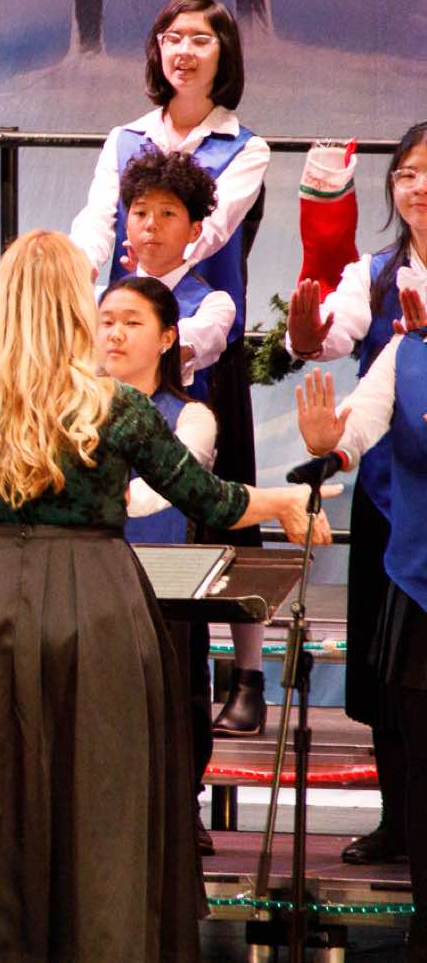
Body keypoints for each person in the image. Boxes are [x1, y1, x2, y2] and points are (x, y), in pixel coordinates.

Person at [0, 231, 328, 962]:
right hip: (95, 598)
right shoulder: (114, 405)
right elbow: (209, 498)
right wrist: (286, 500)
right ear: (76, 307)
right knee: (101, 788)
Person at [66, 0, 274, 736]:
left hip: (199, 346)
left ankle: (246, 673)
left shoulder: (244, 146)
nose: (184, 51)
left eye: (200, 39)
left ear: (225, 53)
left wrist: (154, 261)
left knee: (225, 507)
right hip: (124, 339)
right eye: (172, 37)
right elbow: (97, 222)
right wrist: (76, 284)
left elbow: (211, 230)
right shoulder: (124, 137)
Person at [285, 121, 427, 865]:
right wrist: (306, 334)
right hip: (389, 505)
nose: (418, 186)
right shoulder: (373, 274)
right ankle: (399, 820)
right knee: (387, 675)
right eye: (406, 173)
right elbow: (328, 340)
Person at [296, 326, 427, 957]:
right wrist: (331, 444)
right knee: (423, 770)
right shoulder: (406, 352)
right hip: (421, 586)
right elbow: (362, 423)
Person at [97, 275, 222, 853]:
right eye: (106, 322)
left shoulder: (191, 415)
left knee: (176, 693)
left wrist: (96, 496)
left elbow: (171, 486)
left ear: (168, 337)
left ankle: (180, 804)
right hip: (88, 578)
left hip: (164, 582)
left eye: (132, 323)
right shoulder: (72, 410)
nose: (115, 334)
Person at [111, 147, 234, 399]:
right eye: (140, 213)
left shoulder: (214, 305)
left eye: (167, 213)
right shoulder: (103, 298)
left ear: (195, 231)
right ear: (127, 226)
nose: (151, 224)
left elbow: (172, 350)